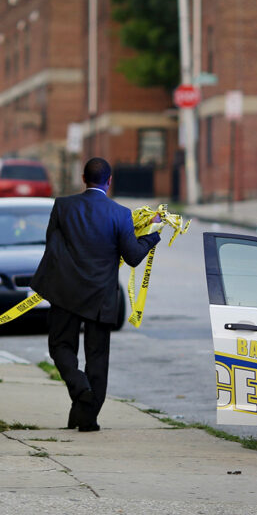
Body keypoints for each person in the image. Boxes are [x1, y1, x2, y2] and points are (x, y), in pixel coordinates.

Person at [31, 158, 161, 432]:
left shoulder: (63, 206)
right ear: (109, 181)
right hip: (101, 297)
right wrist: (152, 233)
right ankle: (88, 419)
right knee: (98, 357)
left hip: (65, 292)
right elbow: (134, 256)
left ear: (83, 178)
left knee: (60, 347)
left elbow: (52, 246)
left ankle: (80, 390)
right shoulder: (120, 213)